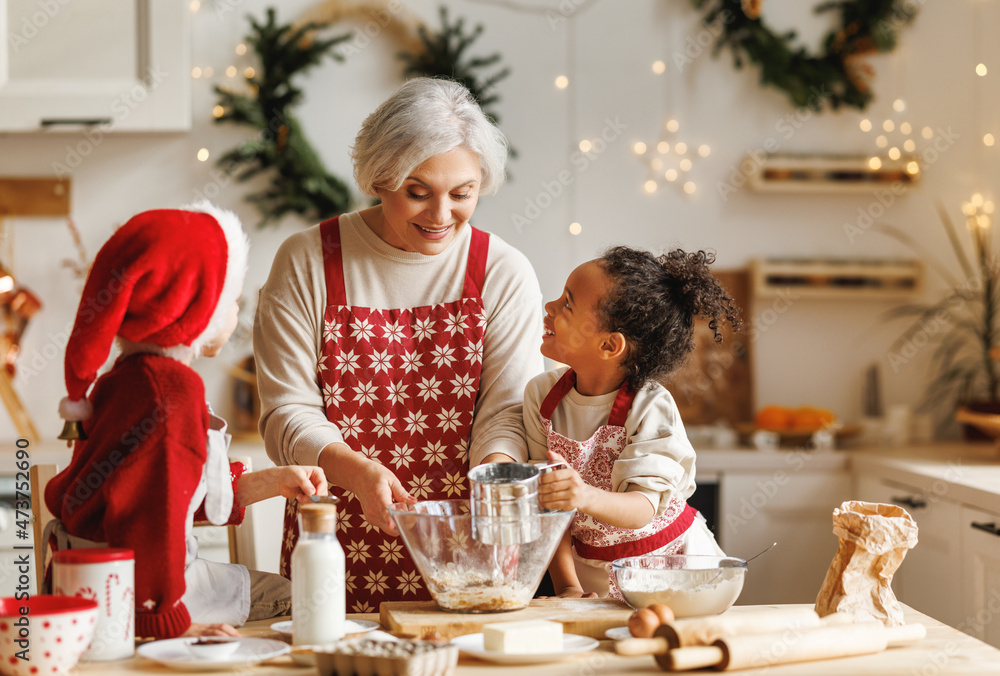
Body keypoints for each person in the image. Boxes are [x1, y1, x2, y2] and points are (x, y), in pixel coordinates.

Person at [253, 77, 544, 612]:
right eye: (417, 192)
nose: (440, 216)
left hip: (472, 549)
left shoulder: (503, 272)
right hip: (335, 541)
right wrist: (358, 473)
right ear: (380, 179)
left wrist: (494, 486)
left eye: (462, 194)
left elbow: (506, 411)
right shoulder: (308, 261)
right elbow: (285, 414)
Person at [48, 203, 329, 639]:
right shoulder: (172, 393)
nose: (235, 314)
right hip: (134, 595)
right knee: (301, 598)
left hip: (90, 582)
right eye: (231, 301)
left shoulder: (124, 380)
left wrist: (269, 482)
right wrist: (170, 623)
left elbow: (163, 490)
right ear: (195, 309)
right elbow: (151, 520)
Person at [525, 246, 740, 598]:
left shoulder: (649, 407)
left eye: (567, 303)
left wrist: (582, 495)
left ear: (609, 345)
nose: (550, 307)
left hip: (678, 572)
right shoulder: (542, 398)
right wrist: (567, 585)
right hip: (595, 575)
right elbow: (548, 510)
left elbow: (641, 508)